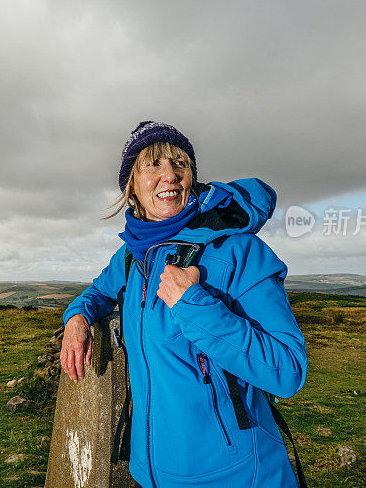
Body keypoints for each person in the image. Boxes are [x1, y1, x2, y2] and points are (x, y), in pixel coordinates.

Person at [60, 121, 308, 488]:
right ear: (132, 185)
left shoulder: (237, 252)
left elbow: (288, 370)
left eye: (180, 164)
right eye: (153, 164)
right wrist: (77, 318)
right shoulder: (131, 258)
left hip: (238, 475)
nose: (169, 175)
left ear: (192, 177)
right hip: (151, 473)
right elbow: (97, 293)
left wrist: (193, 304)